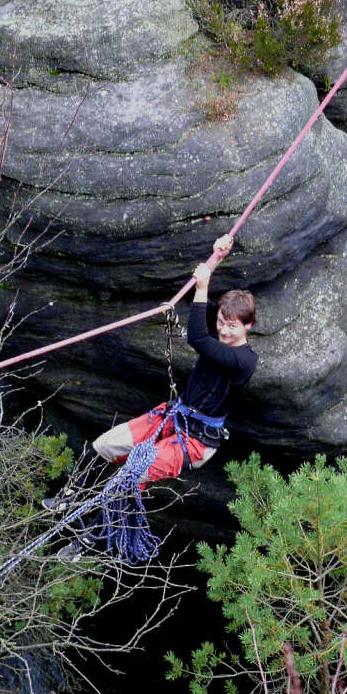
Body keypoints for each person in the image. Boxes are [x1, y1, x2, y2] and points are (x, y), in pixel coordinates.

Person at [44, 235, 258, 559]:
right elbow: (204, 313)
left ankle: (88, 543)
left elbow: (198, 337)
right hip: (173, 416)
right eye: (221, 323)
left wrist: (203, 286)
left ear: (248, 326)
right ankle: (68, 497)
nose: (225, 331)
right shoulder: (221, 340)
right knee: (104, 445)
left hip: (196, 440)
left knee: (125, 483)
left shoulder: (244, 360)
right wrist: (217, 256)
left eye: (232, 326)